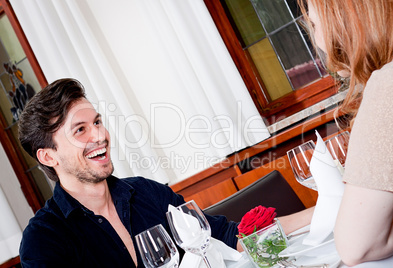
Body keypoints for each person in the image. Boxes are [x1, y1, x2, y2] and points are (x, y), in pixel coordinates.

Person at [18, 78, 313, 267]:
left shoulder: (147, 193)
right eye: (80, 130)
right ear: (48, 156)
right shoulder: (44, 239)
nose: (99, 135)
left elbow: (227, 236)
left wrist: (325, 212)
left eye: (97, 122)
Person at [298, 0, 393, 265]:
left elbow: (357, 246)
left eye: (314, 23)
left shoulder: (392, 83)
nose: (316, 40)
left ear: (346, 17)